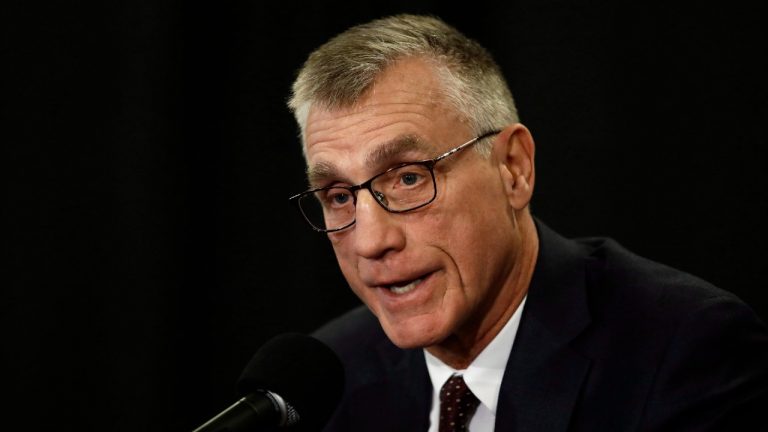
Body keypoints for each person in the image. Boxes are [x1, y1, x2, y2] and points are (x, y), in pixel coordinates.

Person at [285, 14, 768, 431]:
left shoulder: (681, 350)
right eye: (340, 196)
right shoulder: (330, 377)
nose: (371, 241)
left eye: (410, 178)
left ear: (513, 168)